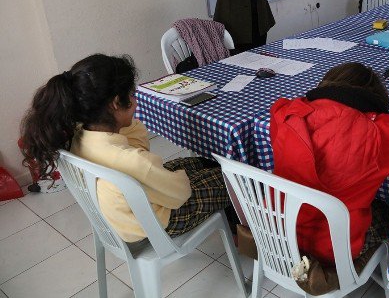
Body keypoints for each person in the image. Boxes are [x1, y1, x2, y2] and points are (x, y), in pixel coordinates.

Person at [20, 54, 232, 244]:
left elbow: (138, 156)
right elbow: (181, 194)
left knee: (202, 163)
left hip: (123, 215)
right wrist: (182, 178)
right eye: (131, 95)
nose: (135, 101)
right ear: (115, 103)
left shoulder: (77, 134)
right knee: (234, 181)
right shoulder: (135, 160)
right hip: (158, 222)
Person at [269, 62, 389, 264]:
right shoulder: (378, 133)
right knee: (387, 209)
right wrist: (383, 120)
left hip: (277, 229)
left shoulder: (285, 112)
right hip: (332, 248)